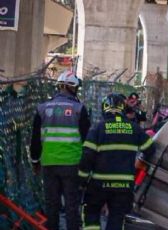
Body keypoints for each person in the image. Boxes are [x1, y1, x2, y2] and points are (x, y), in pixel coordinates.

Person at [78, 93, 155, 230]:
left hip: (98, 184)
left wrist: (82, 181)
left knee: (91, 214)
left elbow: (87, 156)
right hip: (124, 186)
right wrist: (138, 163)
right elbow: (150, 149)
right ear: (123, 108)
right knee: (116, 220)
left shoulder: (97, 129)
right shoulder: (134, 128)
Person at [30, 70, 91, 230]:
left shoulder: (42, 108)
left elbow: (35, 139)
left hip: (48, 164)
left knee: (52, 205)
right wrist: (87, 165)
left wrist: (35, 160)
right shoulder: (79, 109)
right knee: (72, 205)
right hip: (72, 164)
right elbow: (87, 140)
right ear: (73, 88)